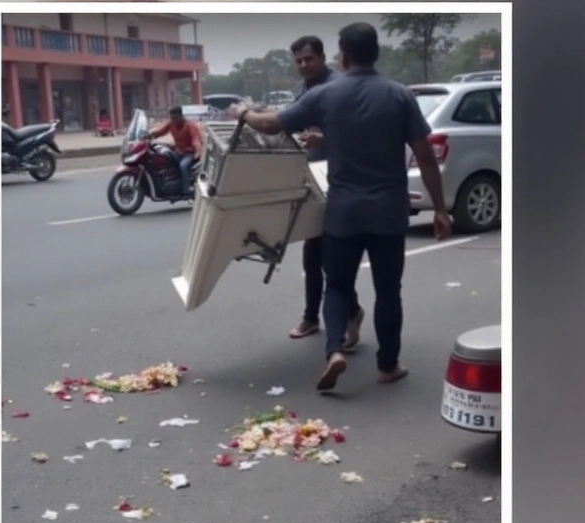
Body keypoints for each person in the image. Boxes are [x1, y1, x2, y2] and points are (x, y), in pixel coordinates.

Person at [228, 22, 452, 391]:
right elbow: (425, 156)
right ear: (375, 53)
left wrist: (242, 113)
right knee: (388, 290)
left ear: (342, 57)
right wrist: (440, 209)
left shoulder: (328, 95)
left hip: (343, 213)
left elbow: (269, 125)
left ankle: (334, 351)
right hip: (388, 213)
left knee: (337, 286)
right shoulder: (399, 95)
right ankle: (387, 366)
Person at [285, 35, 365, 345]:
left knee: (333, 258)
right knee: (313, 256)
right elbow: (290, 123)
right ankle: (314, 316)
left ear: (323, 58)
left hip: (341, 184)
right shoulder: (301, 89)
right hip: (313, 182)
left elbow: (356, 138)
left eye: (309, 59)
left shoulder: (339, 88)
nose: (304, 65)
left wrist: (325, 140)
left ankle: (349, 312)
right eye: (299, 61)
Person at [147, 106, 203, 198]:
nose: (173, 119)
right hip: (178, 152)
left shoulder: (190, 125)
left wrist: (198, 150)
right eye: (171, 117)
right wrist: (149, 135)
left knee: (183, 166)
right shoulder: (171, 123)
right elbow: (160, 131)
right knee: (163, 157)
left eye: (175, 117)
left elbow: (195, 140)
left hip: (189, 153)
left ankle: (186, 191)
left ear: (180, 115)